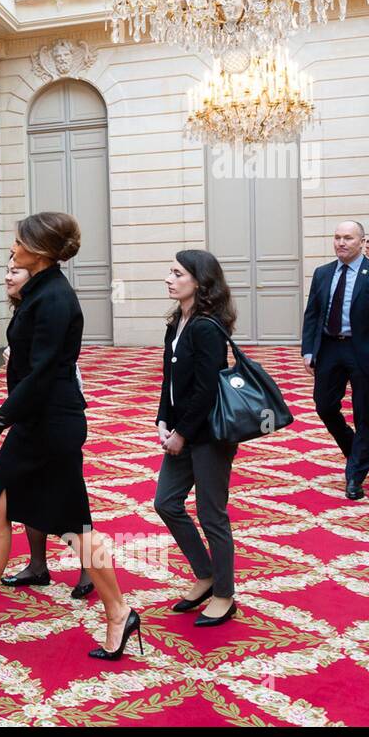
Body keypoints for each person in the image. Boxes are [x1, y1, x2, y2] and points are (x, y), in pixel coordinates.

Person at [0, 212, 141, 660]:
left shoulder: (55, 298)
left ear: (39, 250)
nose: (12, 248)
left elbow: (41, 375)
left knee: (74, 524)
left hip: (52, 424)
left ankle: (118, 611)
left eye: (17, 242)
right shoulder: (38, 291)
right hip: (35, 421)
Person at [0, 257, 93, 599]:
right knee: (25, 491)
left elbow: (49, 368)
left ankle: (91, 571)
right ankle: (37, 566)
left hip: (56, 415)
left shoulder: (53, 302)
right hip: (31, 415)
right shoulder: (27, 308)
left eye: (15, 270)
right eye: (6, 269)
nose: (7, 275)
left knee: (70, 497)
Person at [154, 250, 241, 627]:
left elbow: (207, 389)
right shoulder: (177, 322)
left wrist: (183, 434)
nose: (169, 278)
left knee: (211, 514)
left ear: (199, 281)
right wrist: (162, 419)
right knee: (166, 503)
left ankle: (224, 593)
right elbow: (169, 381)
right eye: (170, 271)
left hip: (208, 435)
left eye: (177, 273)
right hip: (180, 431)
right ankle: (205, 575)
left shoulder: (206, 326)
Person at [301, 221, 369, 501]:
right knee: (324, 405)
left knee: (364, 413)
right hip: (330, 348)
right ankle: (353, 446)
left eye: (348, 237)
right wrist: (308, 350)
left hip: (365, 351)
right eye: (337, 237)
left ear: (361, 241)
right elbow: (312, 314)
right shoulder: (322, 273)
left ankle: (356, 475)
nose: (341, 243)